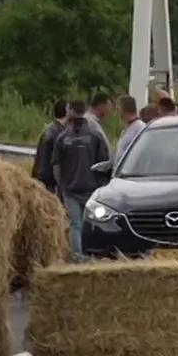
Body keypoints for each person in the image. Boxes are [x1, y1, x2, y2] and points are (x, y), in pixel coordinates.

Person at [50, 100, 111, 259]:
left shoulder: (63, 137)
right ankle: (91, 253)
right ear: (84, 111)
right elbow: (105, 163)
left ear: (70, 111)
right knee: (92, 223)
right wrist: (102, 185)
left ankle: (77, 256)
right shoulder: (95, 135)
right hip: (92, 189)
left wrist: (62, 185)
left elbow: (56, 165)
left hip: (70, 189)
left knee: (75, 223)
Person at [32, 100, 69, 192]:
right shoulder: (59, 133)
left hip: (41, 177)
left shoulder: (49, 129)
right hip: (47, 181)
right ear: (67, 112)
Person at [115, 95, 146, 162]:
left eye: (118, 109)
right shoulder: (127, 129)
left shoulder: (139, 128)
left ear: (123, 110)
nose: (117, 113)